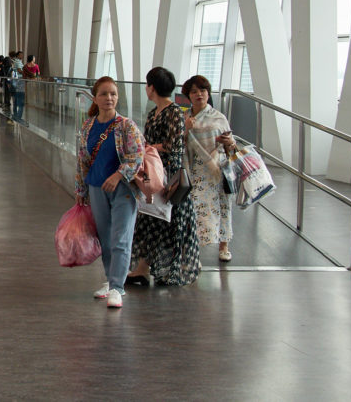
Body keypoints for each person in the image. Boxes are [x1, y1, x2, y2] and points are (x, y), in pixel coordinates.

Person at [75, 76, 145, 309]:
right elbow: (83, 160)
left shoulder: (126, 126)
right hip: (96, 187)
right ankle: (110, 279)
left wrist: (119, 175)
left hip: (123, 189)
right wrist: (81, 189)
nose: (109, 98)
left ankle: (117, 286)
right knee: (105, 237)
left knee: (121, 237)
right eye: (104, 94)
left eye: (113, 94)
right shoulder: (88, 126)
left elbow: (137, 155)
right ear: (95, 98)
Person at [128, 67, 201, 287]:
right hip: (154, 173)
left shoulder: (175, 112)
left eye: (148, 84)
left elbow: (174, 145)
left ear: (152, 87)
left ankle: (167, 270)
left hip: (168, 176)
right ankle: (143, 268)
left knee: (168, 222)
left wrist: (151, 147)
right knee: (150, 220)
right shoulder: (154, 113)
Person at [182, 75, 237, 262]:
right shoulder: (186, 117)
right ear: (188, 95)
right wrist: (185, 130)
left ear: (208, 93)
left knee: (222, 206)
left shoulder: (218, 117)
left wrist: (229, 142)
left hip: (217, 169)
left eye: (203, 91)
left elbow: (231, 146)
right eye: (194, 92)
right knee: (196, 207)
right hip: (196, 170)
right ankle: (194, 246)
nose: (199, 95)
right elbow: (178, 144)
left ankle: (224, 246)